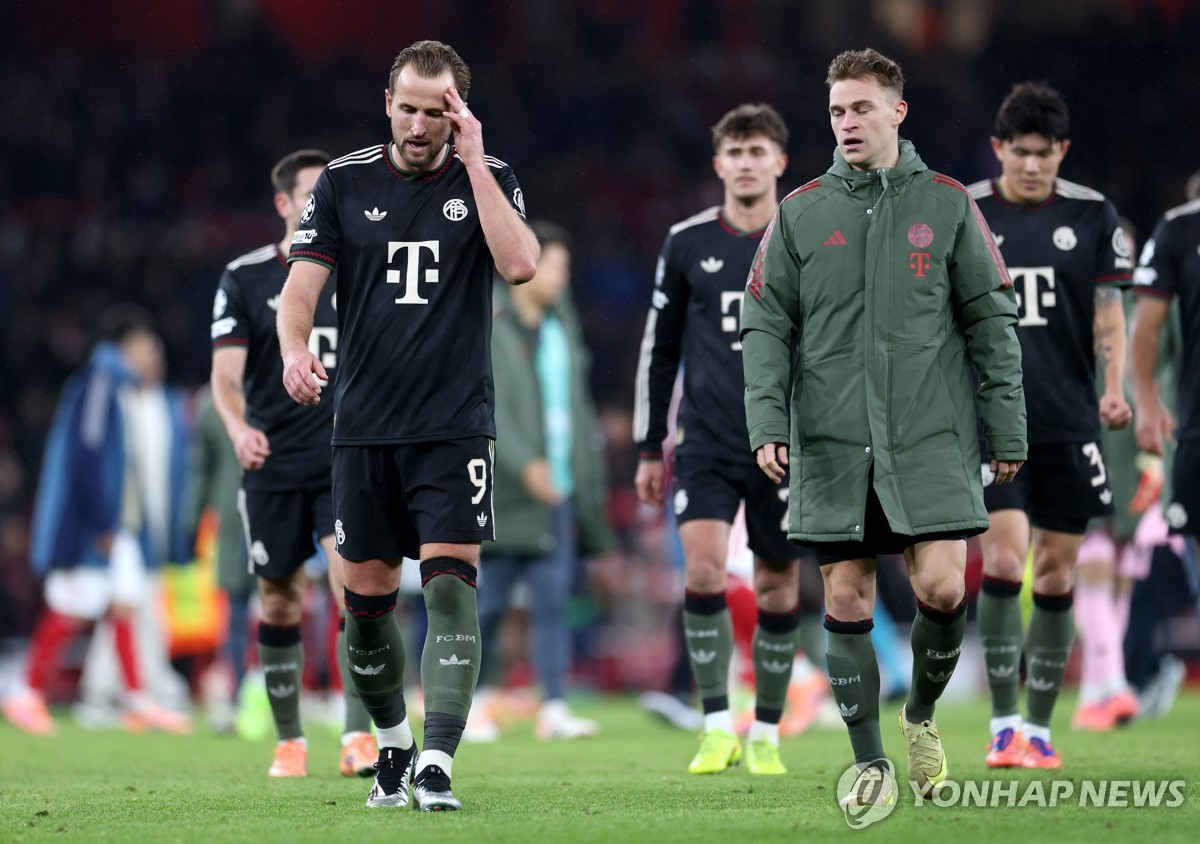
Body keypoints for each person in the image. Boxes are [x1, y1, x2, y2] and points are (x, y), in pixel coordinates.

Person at [740, 49, 1026, 808]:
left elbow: (992, 322)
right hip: (834, 439)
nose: (847, 122)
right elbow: (763, 323)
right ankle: (869, 759)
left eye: (861, 108)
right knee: (846, 600)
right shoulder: (800, 211)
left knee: (942, 587)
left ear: (897, 111)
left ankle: (921, 715)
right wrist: (766, 420)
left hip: (930, 436)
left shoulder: (949, 203)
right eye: (837, 110)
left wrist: (1007, 428)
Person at [277, 40, 538, 811]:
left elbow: (521, 265)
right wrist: (294, 350)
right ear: (387, 103)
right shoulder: (342, 181)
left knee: (452, 590)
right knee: (366, 606)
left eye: (436, 111)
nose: (420, 125)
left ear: (458, 113)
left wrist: (477, 161)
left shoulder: (489, 177)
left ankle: (438, 763)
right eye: (409, 108)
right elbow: (300, 291)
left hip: (454, 428)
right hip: (363, 427)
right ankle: (393, 745)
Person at [633, 103, 804, 777]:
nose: (746, 163)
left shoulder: (807, 238)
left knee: (777, 589)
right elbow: (660, 350)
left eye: (757, 151)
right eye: (735, 152)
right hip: (704, 438)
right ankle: (714, 726)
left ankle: (766, 730)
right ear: (718, 164)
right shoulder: (686, 242)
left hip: (785, 444)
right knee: (703, 573)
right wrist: (650, 444)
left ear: (779, 162)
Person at [967, 83, 1133, 769]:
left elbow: (1108, 312)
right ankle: (1003, 724)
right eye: (1020, 152)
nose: (1032, 165)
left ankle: (1038, 729)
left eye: (1045, 153)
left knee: (1058, 576)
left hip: (1069, 421)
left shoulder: (1092, 214)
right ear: (999, 148)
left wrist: (1114, 389)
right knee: (1005, 560)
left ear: (1062, 150)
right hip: (991, 423)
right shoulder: (966, 211)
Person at [210, 149, 376, 778]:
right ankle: (290, 741)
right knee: (279, 603)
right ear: (283, 203)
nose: (323, 202)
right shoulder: (245, 278)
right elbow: (225, 377)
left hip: (343, 461)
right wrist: (238, 428)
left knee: (355, 592)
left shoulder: (360, 271)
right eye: (311, 192)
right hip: (273, 464)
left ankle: (358, 736)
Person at [2, 307, 192, 736]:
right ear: (128, 346)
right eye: (147, 347)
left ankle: (137, 701)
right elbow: (87, 453)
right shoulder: (100, 382)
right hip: (95, 526)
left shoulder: (115, 385)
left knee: (124, 604)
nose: (153, 356)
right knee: (73, 609)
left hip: (114, 525)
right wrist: (103, 521)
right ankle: (26, 694)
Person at [471, 222, 617, 741]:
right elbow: (487, 406)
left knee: (553, 601)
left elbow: (576, 408)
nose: (559, 276)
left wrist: (585, 480)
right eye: (551, 264)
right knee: (487, 605)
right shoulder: (488, 321)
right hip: (502, 492)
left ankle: (553, 706)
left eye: (564, 267)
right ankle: (474, 703)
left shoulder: (561, 329)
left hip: (557, 489)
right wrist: (522, 463)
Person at [184, 384, 254, 732]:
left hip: (261, 513)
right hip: (239, 521)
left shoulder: (212, 404)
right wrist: (191, 520)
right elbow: (203, 469)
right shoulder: (211, 405)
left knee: (261, 612)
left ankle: (251, 696)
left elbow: (202, 471)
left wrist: (190, 522)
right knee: (242, 614)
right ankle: (242, 695)